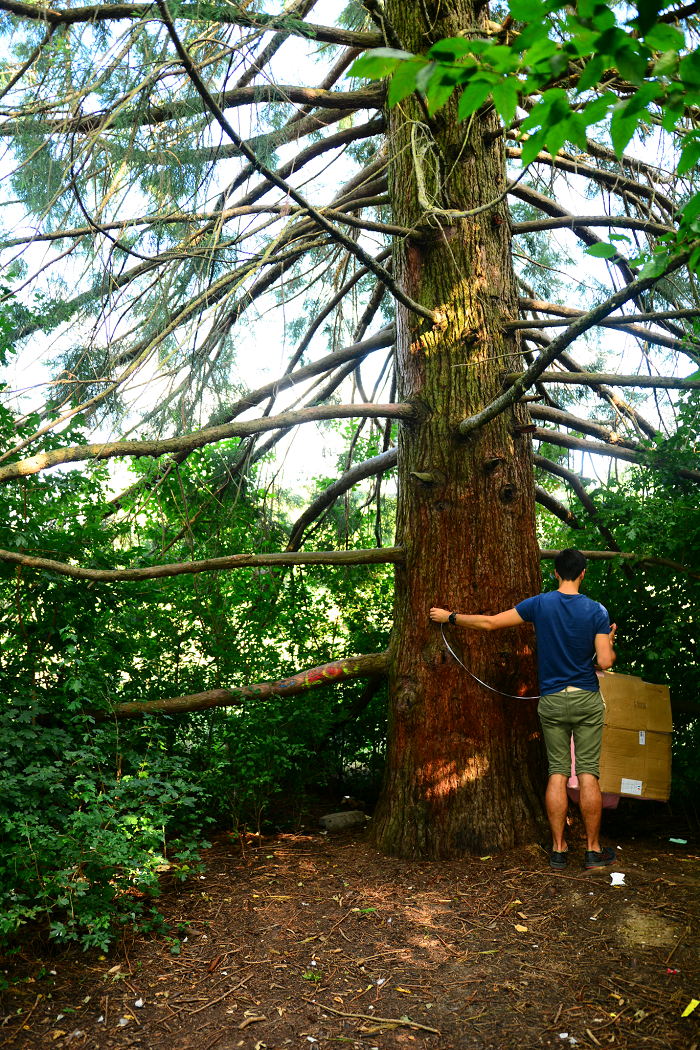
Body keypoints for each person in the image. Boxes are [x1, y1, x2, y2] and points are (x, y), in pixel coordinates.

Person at [429, 548, 617, 871]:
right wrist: (609, 641)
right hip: (586, 699)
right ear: (583, 574)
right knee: (587, 774)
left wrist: (450, 617)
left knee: (557, 772)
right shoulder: (597, 611)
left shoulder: (540, 604)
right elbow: (604, 662)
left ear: (556, 573)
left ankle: (558, 851)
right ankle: (592, 851)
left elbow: (490, 623)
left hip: (553, 701)